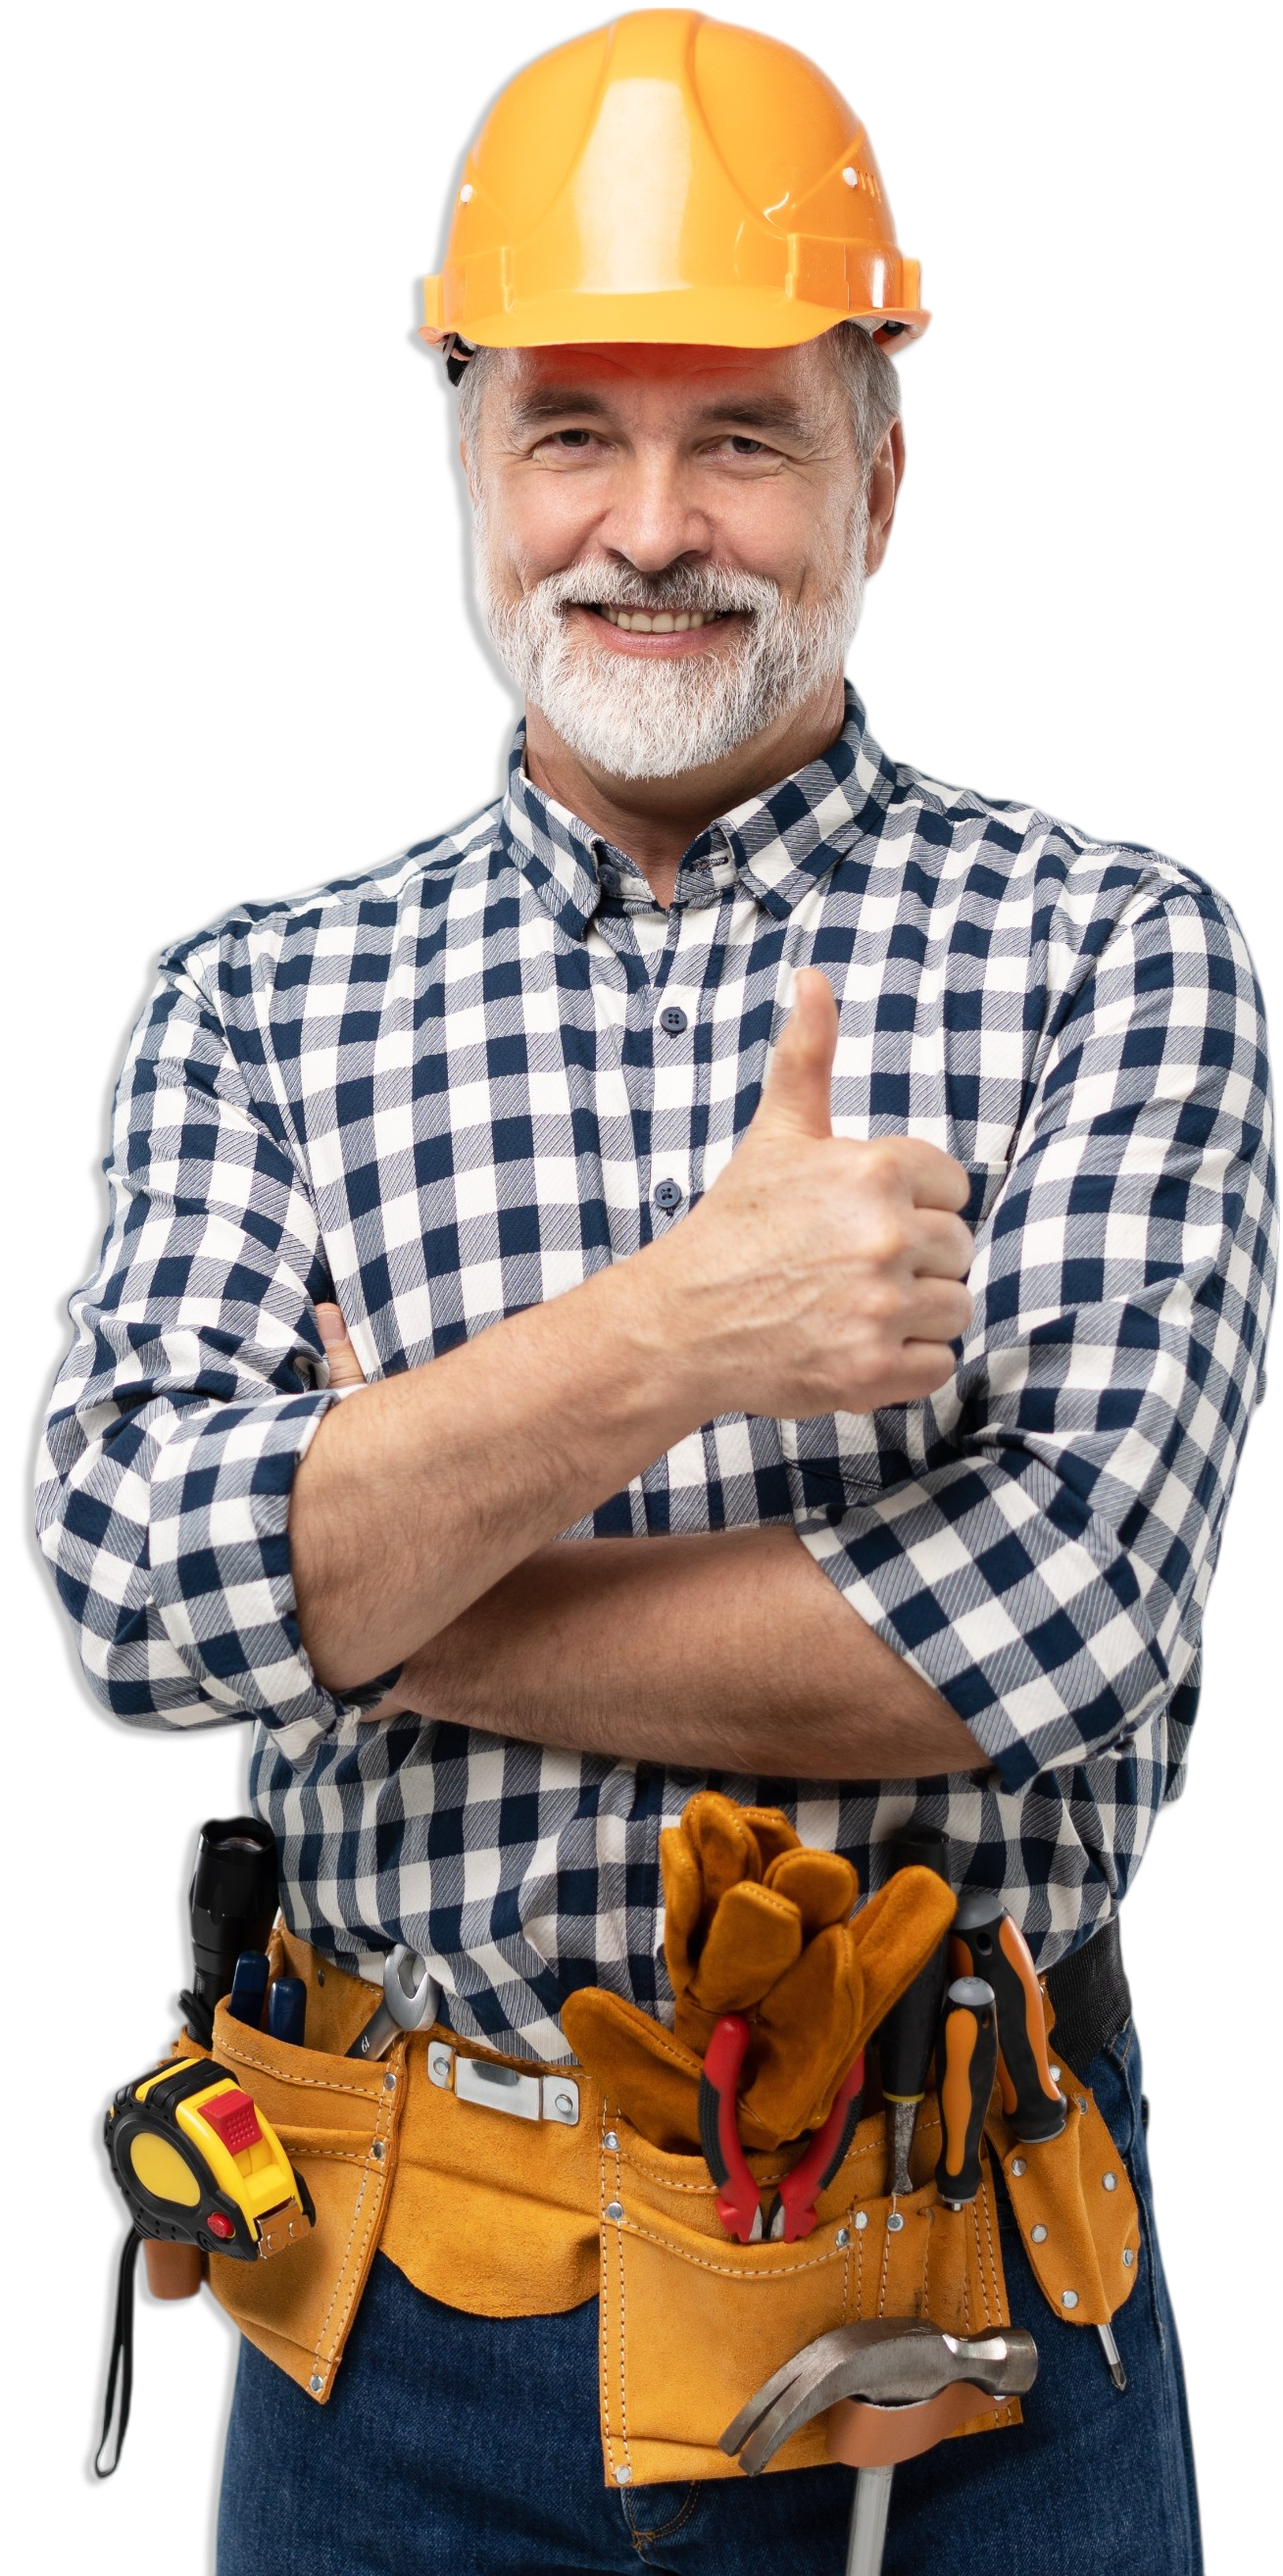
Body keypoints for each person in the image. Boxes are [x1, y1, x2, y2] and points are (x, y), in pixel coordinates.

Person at [35, 10, 1278, 2570]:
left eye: (741, 431)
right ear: (473, 467)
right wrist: (675, 1338)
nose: (646, 523)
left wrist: (376, 1549)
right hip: (383, 2335)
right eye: (569, 428)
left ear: (880, 470)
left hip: (968, 2357)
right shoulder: (256, 999)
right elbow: (138, 1592)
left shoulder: (1113, 956)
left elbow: (1060, 1628)